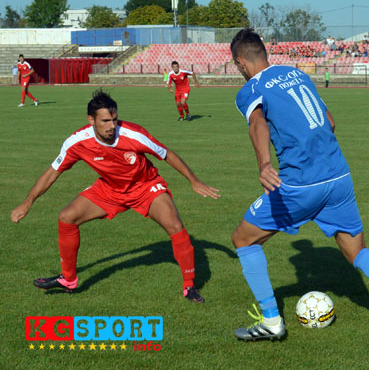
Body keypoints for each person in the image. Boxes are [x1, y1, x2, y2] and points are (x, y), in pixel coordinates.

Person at [229, 28, 369, 342]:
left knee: (243, 239)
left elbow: (258, 123)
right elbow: (330, 121)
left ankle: (271, 321)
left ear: (241, 63)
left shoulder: (251, 88)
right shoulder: (297, 74)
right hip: (339, 177)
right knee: (357, 251)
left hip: (299, 183)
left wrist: (265, 164)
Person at [11, 90, 220, 302]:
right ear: (91, 120)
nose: (112, 126)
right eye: (105, 121)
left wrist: (194, 181)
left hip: (145, 187)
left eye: (114, 119)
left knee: (175, 226)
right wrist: (27, 203)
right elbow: (52, 172)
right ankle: (68, 279)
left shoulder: (133, 134)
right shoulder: (77, 142)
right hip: (110, 189)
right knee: (67, 217)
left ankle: (189, 286)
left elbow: (166, 154)